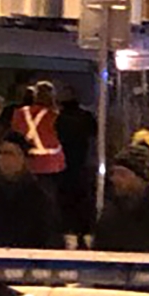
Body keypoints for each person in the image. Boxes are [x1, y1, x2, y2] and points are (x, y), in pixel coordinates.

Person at [55, 85, 97, 248]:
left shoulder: (59, 119)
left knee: (67, 202)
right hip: (84, 164)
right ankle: (86, 235)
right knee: (84, 200)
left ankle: (70, 236)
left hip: (63, 165)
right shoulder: (86, 117)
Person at [11, 81, 66, 182]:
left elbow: (14, 134)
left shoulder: (20, 113)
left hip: (26, 162)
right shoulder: (54, 115)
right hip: (51, 163)